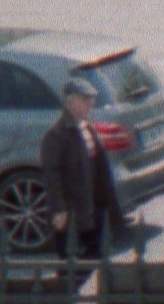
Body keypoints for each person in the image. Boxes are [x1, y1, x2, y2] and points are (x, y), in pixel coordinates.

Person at [39, 78, 120, 259]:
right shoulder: (56, 135)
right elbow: (52, 176)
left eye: (91, 99)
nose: (90, 104)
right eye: (84, 99)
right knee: (72, 265)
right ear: (70, 102)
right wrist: (58, 209)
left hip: (93, 210)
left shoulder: (88, 129)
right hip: (72, 214)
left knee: (95, 258)